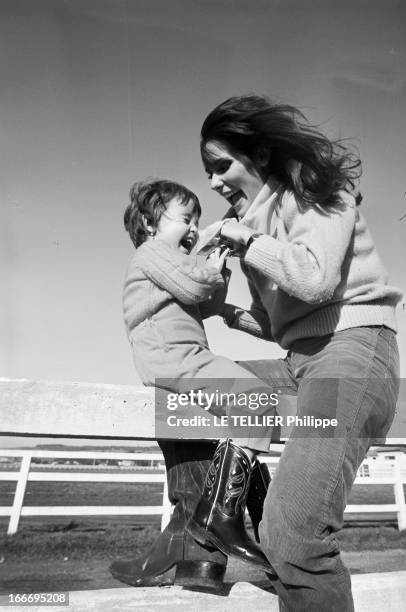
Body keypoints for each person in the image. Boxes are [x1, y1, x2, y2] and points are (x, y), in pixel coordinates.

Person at [187, 95, 402, 611]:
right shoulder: (250, 228)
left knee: (293, 534)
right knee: (186, 393)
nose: (214, 183)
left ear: (258, 153)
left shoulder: (319, 189)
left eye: (222, 166)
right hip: (298, 360)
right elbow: (280, 322)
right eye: (208, 173)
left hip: (354, 352)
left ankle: (267, 519)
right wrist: (223, 309)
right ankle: (206, 523)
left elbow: (314, 280)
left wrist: (244, 241)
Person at [110, 178, 282, 588]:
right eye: (185, 219)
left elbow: (208, 302)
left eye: (197, 220)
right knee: (256, 399)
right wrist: (208, 250)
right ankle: (223, 516)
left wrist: (217, 263)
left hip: (184, 357)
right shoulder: (153, 252)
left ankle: (242, 518)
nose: (192, 227)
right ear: (150, 225)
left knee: (246, 407)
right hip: (172, 358)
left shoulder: (171, 261)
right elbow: (195, 285)